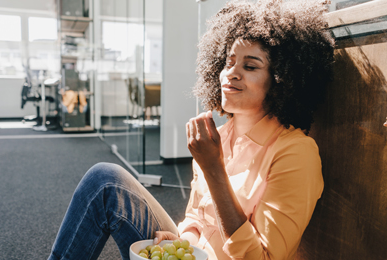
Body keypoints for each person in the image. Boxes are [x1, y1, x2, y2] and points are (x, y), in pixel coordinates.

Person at [47, 0, 334, 259]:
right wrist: (183, 238)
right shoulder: (217, 136)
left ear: (282, 80)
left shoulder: (296, 152)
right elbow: (197, 216)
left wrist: (213, 168)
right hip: (194, 255)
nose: (231, 73)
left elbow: (262, 257)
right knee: (106, 180)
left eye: (250, 66)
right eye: (229, 61)